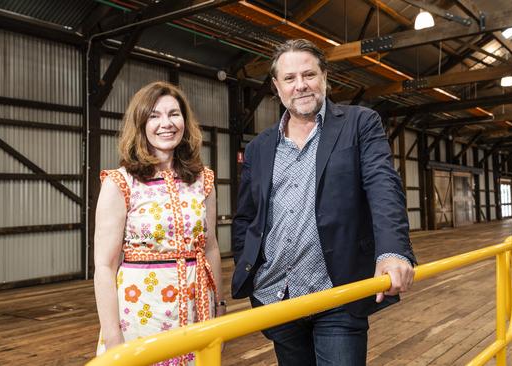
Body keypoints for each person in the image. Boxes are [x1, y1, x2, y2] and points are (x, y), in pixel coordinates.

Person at [231, 39, 416, 366]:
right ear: (277, 86)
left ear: (325, 77)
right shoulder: (260, 146)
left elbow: (382, 184)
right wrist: (250, 265)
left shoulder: (359, 123)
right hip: (277, 293)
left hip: (337, 289)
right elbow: (247, 215)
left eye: (309, 74)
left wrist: (392, 251)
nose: (300, 85)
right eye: (289, 78)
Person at [93, 81, 225, 365]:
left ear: (185, 122)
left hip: (195, 307)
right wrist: (113, 336)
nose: (166, 123)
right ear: (140, 124)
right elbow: (104, 266)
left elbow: (211, 246)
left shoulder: (204, 180)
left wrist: (219, 304)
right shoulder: (121, 182)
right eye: (154, 115)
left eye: (174, 114)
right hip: (142, 312)